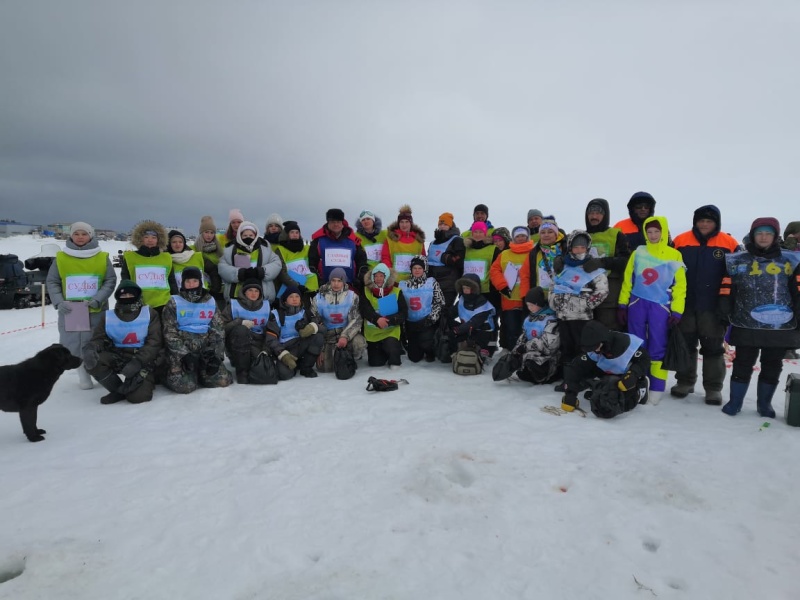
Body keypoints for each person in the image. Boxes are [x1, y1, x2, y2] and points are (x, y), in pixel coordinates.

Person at [719, 217, 800, 417]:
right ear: (753, 235)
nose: (763, 237)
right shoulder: (737, 259)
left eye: (768, 233)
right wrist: (723, 311)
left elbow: (797, 290)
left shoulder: (791, 260)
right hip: (745, 323)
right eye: (759, 233)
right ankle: (735, 401)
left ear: (775, 236)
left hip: (780, 326)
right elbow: (727, 289)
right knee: (742, 364)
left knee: (772, 365)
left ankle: (765, 404)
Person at [670, 205, 739, 404]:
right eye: (701, 221)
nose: (705, 224)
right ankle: (685, 381)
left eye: (709, 221)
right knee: (686, 345)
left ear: (716, 223)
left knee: (713, 348)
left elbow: (735, 275)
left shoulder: (729, 243)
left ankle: (713, 388)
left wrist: (727, 303)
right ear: (695, 222)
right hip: (686, 304)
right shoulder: (681, 240)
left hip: (714, 305)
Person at [618, 216, 686, 404]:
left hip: (661, 306)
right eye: (649, 232)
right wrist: (623, 304)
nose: (653, 235)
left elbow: (680, 285)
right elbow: (628, 279)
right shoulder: (638, 252)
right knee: (637, 345)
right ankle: (638, 383)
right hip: (637, 303)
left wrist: (677, 310)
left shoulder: (674, 255)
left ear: (663, 232)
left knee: (658, 345)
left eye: (657, 231)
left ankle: (656, 387)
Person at [46, 221, 116, 389]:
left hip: (94, 308)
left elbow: (110, 280)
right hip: (71, 309)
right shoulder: (61, 258)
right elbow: (53, 281)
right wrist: (58, 301)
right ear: (71, 236)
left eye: (84, 234)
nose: (80, 237)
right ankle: (82, 375)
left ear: (90, 236)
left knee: (94, 340)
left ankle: (98, 371)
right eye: (76, 234)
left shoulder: (102, 257)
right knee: (73, 342)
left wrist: (98, 298)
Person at [82, 280, 162, 404]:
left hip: (143, 359)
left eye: (131, 295)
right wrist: (91, 347)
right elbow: (99, 338)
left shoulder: (149, 313)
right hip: (119, 355)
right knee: (93, 360)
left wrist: (138, 361)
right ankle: (117, 390)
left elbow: (154, 342)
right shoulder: (108, 316)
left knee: (138, 398)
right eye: (123, 295)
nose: (127, 297)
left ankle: (141, 382)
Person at [549, 231, 609, 387]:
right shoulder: (562, 266)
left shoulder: (592, 267)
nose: (579, 250)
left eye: (583, 247)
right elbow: (552, 286)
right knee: (566, 348)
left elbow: (602, 291)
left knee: (582, 349)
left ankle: (583, 378)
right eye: (576, 247)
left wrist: (586, 304)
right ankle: (569, 379)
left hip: (582, 318)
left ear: (587, 248)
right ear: (570, 248)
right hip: (563, 316)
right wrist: (553, 302)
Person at [161, 267, 232, 393]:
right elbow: (170, 333)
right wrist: (184, 355)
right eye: (187, 281)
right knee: (186, 387)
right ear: (183, 283)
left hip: (205, 351)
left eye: (195, 281)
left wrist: (216, 356)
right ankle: (168, 373)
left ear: (200, 282)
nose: (191, 284)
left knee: (223, 381)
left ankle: (200, 372)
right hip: (183, 353)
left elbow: (218, 330)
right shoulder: (174, 302)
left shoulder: (210, 301)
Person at [561, 320, 651, 416]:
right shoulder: (594, 350)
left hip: (625, 377)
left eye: (596, 347)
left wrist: (633, 374)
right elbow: (576, 368)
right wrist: (570, 394)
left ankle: (640, 390)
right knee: (601, 404)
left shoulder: (625, 344)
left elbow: (645, 359)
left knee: (620, 405)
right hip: (605, 375)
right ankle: (601, 390)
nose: (595, 350)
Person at [580, 198, 630, 331]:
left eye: (598, 213)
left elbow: (625, 261)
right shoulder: (580, 236)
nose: (594, 216)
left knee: (608, 334)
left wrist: (601, 262)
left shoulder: (616, 235)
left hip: (609, 298)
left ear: (605, 215)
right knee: (586, 335)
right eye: (591, 213)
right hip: (583, 296)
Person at [310, 267, 366, 373]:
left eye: (339, 281)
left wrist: (345, 336)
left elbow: (357, 320)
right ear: (330, 281)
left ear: (343, 281)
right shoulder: (319, 298)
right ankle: (335, 354)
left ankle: (350, 356)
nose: (336, 284)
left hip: (346, 333)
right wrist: (319, 350)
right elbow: (315, 323)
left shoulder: (352, 297)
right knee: (324, 368)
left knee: (359, 343)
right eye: (333, 280)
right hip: (328, 336)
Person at [265, 286, 325, 379]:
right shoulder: (276, 315)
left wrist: (314, 327)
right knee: (284, 375)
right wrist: (283, 354)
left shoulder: (306, 313)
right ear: (285, 300)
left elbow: (323, 328)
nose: (294, 299)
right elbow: (271, 339)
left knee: (318, 337)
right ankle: (293, 364)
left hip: (301, 345)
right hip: (286, 349)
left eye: (297, 296)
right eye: (291, 297)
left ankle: (306, 367)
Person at [490, 226, 534, 351]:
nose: (520, 238)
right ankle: (511, 355)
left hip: (529, 300)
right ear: (513, 238)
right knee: (511, 330)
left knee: (527, 330)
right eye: (518, 236)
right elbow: (494, 271)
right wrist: (502, 285)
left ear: (527, 237)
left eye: (523, 236)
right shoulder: (505, 254)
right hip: (509, 299)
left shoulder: (534, 252)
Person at [218, 221, 283, 304]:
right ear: (240, 236)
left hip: (261, 294)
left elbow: (276, 263)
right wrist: (240, 273)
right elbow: (222, 267)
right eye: (245, 235)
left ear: (255, 236)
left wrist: (262, 272)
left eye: (251, 235)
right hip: (236, 295)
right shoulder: (230, 249)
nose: (248, 237)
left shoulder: (265, 248)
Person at [221, 279, 272, 384]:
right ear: (244, 292)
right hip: (237, 343)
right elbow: (222, 327)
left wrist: (266, 349)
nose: (253, 294)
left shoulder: (266, 306)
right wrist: (239, 322)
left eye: (256, 291)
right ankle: (242, 372)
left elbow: (271, 330)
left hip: (258, 344)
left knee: (264, 373)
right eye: (250, 290)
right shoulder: (233, 305)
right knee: (241, 330)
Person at [120, 220, 177, 312]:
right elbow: (125, 280)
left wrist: (175, 300)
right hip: (138, 304)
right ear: (140, 239)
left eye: (154, 237)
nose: (150, 240)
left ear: (159, 240)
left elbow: (171, 281)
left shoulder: (166, 257)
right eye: (146, 237)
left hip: (163, 304)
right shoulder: (130, 258)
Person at [507, 287, 560, 384]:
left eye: (532, 305)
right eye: (528, 305)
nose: (529, 308)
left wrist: (525, 347)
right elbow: (523, 337)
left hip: (548, 357)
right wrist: (516, 351)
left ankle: (550, 374)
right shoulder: (529, 319)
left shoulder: (550, 320)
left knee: (532, 362)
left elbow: (550, 346)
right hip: (531, 353)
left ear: (539, 304)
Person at [399, 255, 446, 362]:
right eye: (414, 268)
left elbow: (440, 302)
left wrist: (431, 318)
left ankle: (430, 350)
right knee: (414, 358)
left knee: (427, 344)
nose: (417, 270)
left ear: (424, 269)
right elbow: (400, 305)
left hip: (427, 322)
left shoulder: (432, 283)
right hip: (411, 324)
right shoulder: (403, 285)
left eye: (420, 268)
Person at [360, 264, 407, 368]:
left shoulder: (396, 291)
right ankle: (381, 351)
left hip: (390, 331)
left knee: (391, 348)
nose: (378, 279)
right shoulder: (366, 291)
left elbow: (403, 313)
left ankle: (394, 358)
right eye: (376, 276)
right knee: (375, 363)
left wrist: (388, 320)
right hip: (373, 332)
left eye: (381, 276)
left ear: (386, 277)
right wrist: (377, 319)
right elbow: (364, 310)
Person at [308, 208, 368, 287]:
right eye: (333, 222)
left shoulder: (353, 240)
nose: (336, 224)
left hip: (349, 286)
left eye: (338, 222)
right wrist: (318, 280)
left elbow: (361, 261)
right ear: (328, 223)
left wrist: (359, 278)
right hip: (325, 286)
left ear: (342, 223)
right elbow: (312, 263)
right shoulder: (318, 241)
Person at [519, 218, 567, 309]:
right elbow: (525, 275)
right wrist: (526, 297)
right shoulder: (534, 252)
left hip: (563, 298)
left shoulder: (565, 249)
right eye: (543, 232)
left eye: (550, 232)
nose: (546, 235)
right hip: (540, 299)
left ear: (556, 234)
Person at [447, 273, 497, 360]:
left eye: (468, 288)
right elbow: (452, 313)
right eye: (464, 288)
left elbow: (474, 322)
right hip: (469, 331)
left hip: (483, 334)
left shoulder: (483, 303)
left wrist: (457, 330)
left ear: (474, 289)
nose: (465, 290)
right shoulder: (462, 299)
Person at [274, 220, 319, 308]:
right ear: (287, 234)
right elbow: (281, 272)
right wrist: (296, 285)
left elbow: (312, 266)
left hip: (308, 288)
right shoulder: (280, 249)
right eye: (292, 232)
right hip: (289, 287)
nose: (295, 234)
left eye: (297, 232)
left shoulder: (306, 248)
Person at [426, 212, 465, 309]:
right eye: (440, 224)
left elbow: (460, 260)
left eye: (445, 224)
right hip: (432, 284)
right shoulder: (432, 243)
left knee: (444, 312)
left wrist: (446, 258)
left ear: (450, 226)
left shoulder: (457, 240)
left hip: (448, 285)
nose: (442, 226)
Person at [381, 205, 426, 282]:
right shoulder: (391, 239)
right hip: (395, 282)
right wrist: (390, 275)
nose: (404, 225)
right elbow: (385, 258)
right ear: (398, 223)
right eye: (401, 222)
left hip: (413, 282)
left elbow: (423, 260)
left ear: (411, 223)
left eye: (407, 222)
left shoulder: (418, 241)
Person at [194, 215, 225, 308]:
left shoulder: (219, 250)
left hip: (221, 291)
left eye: (212, 232)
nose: (209, 235)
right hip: (204, 291)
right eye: (206, 232)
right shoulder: (194, 249)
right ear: (201, 233)